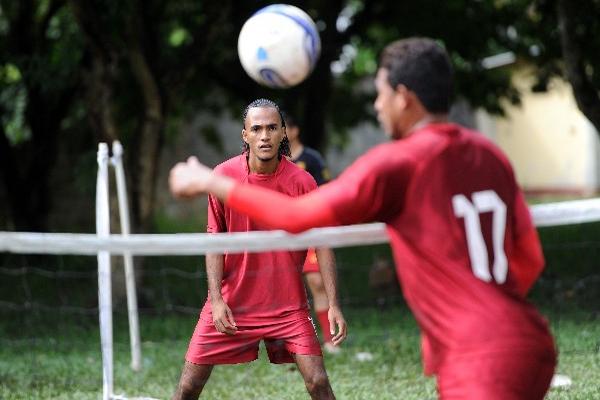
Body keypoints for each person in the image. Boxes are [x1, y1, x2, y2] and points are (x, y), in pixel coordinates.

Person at [170, 38, 557, 399]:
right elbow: (529, 259)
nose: (376, 105)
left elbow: (297, 216)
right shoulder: (490, 153)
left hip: (479, 357)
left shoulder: (395, 162)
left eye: (381, 94)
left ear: (404, 99)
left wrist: (207, 180)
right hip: (531, 339)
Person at [171, 98, 347, 400]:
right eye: (257, 129)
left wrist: (333, 303)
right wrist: (215, 300)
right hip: (233, 302)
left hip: (288, 307)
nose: (264, 136)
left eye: (271, 128)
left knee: (318, 382)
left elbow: (323, 244)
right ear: (245, 135)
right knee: (188, 387)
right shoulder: (222, 177)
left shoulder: (303, 181)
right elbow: (214, 240)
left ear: (283, 133)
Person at [282, 110, 339, 354]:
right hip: (281, 234)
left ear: (294, 131)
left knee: (317, 282)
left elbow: (326, 192)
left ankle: (329, 340)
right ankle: (287, 343)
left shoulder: (312, 159)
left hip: (311, 232)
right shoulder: (272, 161)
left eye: (281, 127)